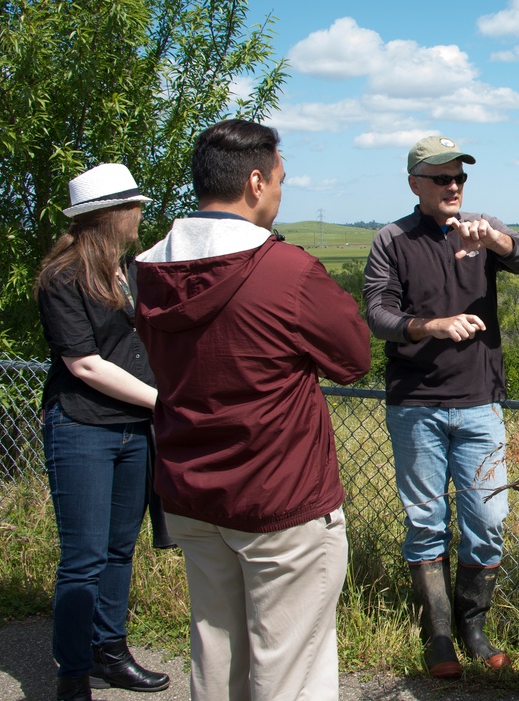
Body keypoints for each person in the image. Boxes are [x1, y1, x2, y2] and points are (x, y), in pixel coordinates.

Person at [134, 119, 371, 701]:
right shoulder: (285, 271)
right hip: (279, 499)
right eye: (282, 182)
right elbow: (355, 356)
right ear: (257, 181)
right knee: (291, 668)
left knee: (216, 657)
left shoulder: (149, 272)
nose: (281, 195)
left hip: (191, 491)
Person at [363, 135, 519, 678]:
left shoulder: (482, 228)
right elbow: (377, 314)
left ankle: (474, 626)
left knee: (488, 520)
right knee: (425, 521)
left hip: (479, 402)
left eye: (459, 178)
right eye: (441, 178)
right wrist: (429, 326)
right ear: (415, 182)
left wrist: (498, 243)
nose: (453, 187)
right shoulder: (392, 239)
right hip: (415, 403)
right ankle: (438, 635)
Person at [36, 164, 171, 701]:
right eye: (133, 205)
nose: (141, 212)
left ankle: (109, 652)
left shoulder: (132, 270)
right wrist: (167, 402)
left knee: (119, 550)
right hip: (83, 428)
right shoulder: (62, 278)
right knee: (84, 558)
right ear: (111, 215)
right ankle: (72, 672)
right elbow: (84, 364)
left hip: (134, 430)